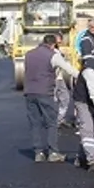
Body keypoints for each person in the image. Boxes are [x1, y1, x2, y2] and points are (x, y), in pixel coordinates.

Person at [24, 33, 78, 162]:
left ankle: (38, 153)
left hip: (29, 92)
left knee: (35, 123)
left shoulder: (29, 54)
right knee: (51, 123)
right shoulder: (53, 55)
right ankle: (53, 152)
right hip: (45, 92)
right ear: (53, 44)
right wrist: (84, 77)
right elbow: (69, 70)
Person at [53, 32, 74, 130]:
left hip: (60, 79)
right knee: (54, 100)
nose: (59, 43)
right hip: (53, 79)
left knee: (65, 99)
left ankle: (59, 119)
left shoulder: (58, 51)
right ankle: (55, 120)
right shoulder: (53, 52)